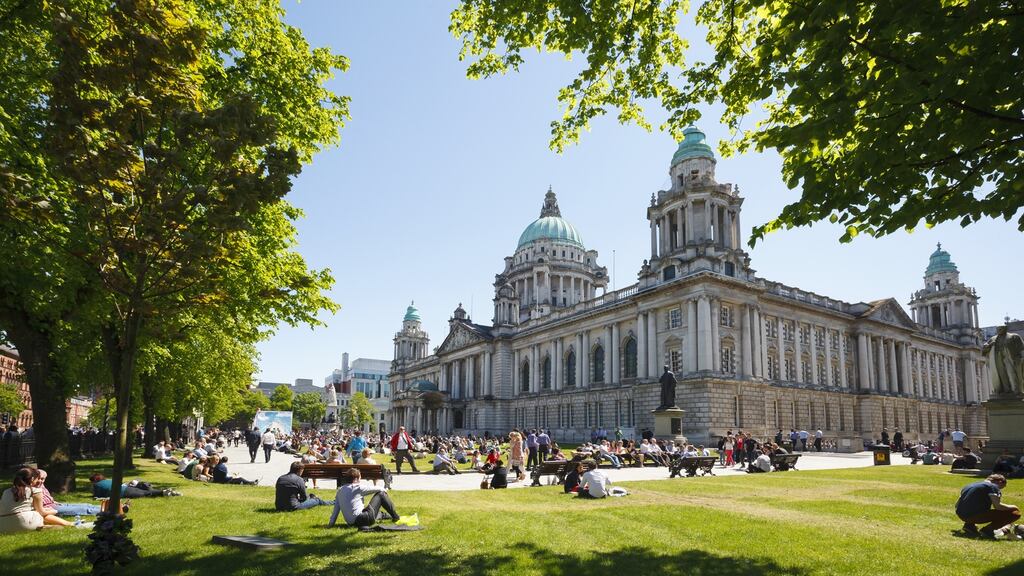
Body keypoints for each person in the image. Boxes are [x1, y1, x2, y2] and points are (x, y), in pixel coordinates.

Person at [0, 468, 78, 532]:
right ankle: (69, 524)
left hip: (3, 526)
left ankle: (43, 526)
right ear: (32, 478)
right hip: (24, 523)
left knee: (35, 513)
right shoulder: (35, 491)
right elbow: (42, 512)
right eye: (38, 478)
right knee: (43, 514)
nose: (38, 481)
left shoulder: (6, 492)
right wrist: (54, 511)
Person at [328, 468, 400, 528]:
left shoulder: (340, 490)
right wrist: (386, 488)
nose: (360, 479)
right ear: (356, 478)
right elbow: (380, 489)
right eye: (360, 477)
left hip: (351, 523)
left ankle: (383, 515)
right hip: (362, 519)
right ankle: (396, 517)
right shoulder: (357, 487)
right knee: (381, 494)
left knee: (370, 510)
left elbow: (335, 510)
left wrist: (331, 524)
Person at [957, 474, 1021, 539]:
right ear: (1000, 482)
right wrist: (1013, 506)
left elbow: (958, 503)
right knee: (1015, 513)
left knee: (974, 507)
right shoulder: (992, 486)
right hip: (974, 516)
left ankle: (969, 526)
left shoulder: (970, 485)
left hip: (961, 514)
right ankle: (987, 530)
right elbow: (998, 506)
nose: (1000, 489)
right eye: (1001, 487)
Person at [34, 469, 105, 517]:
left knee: (86, 505)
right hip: (49, 508)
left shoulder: (40, 485)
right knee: (84, 509)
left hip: (54, 504)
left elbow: (46, 497)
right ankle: (107, 512)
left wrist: (53, 501)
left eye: (43, 479)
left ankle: (108, 508)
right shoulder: (31, 488)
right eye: (38, 478)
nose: (41, 481)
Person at [90, 474, 179, 498]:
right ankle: (164, 491)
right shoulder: (108, 480)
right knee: (146, 492)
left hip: (124, 493)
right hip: (127, 488)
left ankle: (164, 492)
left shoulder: (96, 485)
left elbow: (97, 495)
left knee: (145, 494)